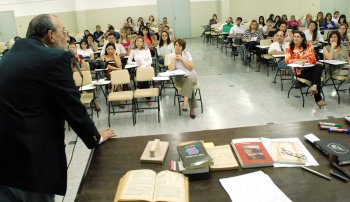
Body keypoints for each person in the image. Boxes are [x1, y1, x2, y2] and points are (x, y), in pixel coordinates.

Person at [0, 14, 116, 201]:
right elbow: (73, 107)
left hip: (5, 162)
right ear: (51, 35)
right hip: (31, 165)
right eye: (63, 32)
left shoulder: (10, 56)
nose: (67, 37)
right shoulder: (53, 58)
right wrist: (95, 137)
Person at [285, 31, 326, 108]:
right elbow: (287, 60)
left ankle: (314, 87)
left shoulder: (308, 46)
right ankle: (317, 95)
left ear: (302, 38)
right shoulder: (289, 48)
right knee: (317, 76)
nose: (296, 38)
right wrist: (298, 60)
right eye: (295, 36)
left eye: (298, 37)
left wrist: (303, 60)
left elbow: (313, 59)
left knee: (319, 66)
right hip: (299, 71)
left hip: (310, 68)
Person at [167, 39, 197, 119]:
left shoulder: (187, 54)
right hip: (180, 77)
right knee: (189, 85)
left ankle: (185, 103)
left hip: (191, 75)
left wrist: (182, 59)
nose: (177, 47)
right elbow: (171, 69)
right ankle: (192, 109)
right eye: (176, 45)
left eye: (180, 46)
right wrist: (173, 59)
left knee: (189, 81)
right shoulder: (171, 55)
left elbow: (191, 67)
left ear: (183, 47)